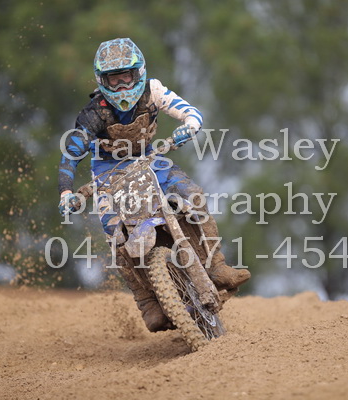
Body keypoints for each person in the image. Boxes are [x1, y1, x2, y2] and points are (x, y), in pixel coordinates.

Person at [57, 38, 250, 332]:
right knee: (115, 233)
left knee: (193, 196)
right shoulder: (93, 113)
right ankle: (147, 301)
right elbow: (71, 154)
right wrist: (66, 192)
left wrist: (189, 126)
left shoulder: (154, 91)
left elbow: (190, 112)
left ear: (139, 72)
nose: (122, 85)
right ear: (102, 80)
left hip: (149, 159)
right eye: (114, 79)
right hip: (108, 171)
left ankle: (217, 266)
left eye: (126, 76)